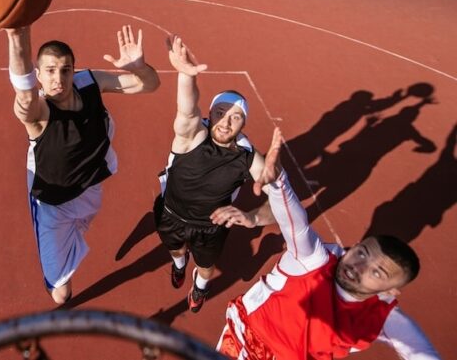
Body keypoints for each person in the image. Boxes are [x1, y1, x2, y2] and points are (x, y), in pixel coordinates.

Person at [217, 128, 442, 359]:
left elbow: (421, 354)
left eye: (377, 272)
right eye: (362, 253)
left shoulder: (383, 317)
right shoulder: (313, 260)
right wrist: (278, 183)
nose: (358, 267)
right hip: (246, 344)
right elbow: (295, 222)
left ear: (389, 291)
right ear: (354, 246)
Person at [6, 24, 160, 304]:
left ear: (74, 70)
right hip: (53, 204)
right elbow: (25, 97)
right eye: (50, 71)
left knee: (78, 235)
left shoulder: (89, 82)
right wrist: (17, 35)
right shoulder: (38, 112)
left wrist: (139, 67)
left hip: (90, 191)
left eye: (65, 70)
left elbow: (150, 84)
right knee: (61, 296)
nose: (59, 79)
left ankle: (69, 246)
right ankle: (56, 275)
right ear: (38, 75)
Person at [155, 35, 274, 313]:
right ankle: (179, 265)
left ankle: (199, 288)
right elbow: (186, 112)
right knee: (176, 250)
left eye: (235, 116)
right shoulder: (191, 137)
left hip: (210, 227)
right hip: (171, 213)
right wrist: (185, 76)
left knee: (206, 268)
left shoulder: (248, 157)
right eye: (221, 112)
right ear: (210, 113)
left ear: (244, 123)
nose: (226, 121)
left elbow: (280, 197)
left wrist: (254, 217)